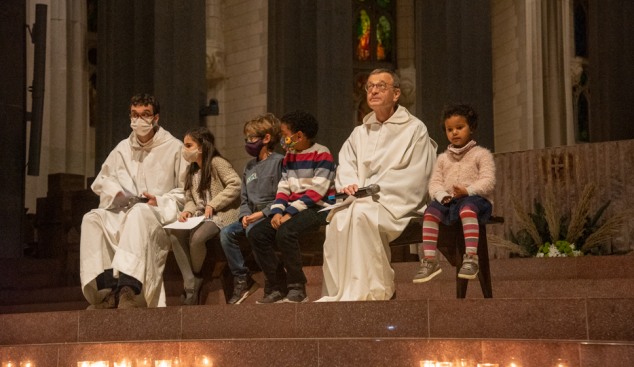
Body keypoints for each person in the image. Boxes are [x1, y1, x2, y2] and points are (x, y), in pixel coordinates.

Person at [318, 69, 438, 302]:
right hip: (361, 199)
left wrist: (374, 191)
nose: (373, 90)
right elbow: (346, 165)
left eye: (380, 86)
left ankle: (375, 293)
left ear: (396, 94)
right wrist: (350, 185)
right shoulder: (359, 133)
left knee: (362, 214)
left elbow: (418, 173)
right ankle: (342, 293)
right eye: (370, 87)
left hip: (395, 200)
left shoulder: (414, 129)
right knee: (338, 220)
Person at [80, 94, 187, 309]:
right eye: (134, 115)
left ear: (156, 118)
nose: (138, 120)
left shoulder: (174, 147)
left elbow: (186, 191)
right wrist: (116, 191)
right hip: (126, 210)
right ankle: (108, 291)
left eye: (145, 115)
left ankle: (129, 288)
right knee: (92, 218)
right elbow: (102, 180)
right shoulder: (122, 148)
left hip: (157, 213)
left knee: (139, 213)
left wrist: (160, 200)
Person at [248, 110, 336, 304]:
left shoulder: (322, 153)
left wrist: (289, 212)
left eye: (285, 135)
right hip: (293, 207)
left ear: (299, 135)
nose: (283, 139)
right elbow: (284, 186)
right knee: (257, 234)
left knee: (285, 232)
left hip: (317, 208)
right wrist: (277, 211)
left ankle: (297, 287)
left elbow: (318, 191)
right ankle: (276, 284)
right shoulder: (290, 155)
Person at [413, 103, 495, 283]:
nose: (454, 133)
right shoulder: (443, 158)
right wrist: (442, 195)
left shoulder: (481, 154)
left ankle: (471, 258)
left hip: (475, 199)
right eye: (450, 129)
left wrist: (468, 190)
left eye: (460, 127)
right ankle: (430, 261)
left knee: (467, 209)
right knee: (430, 213)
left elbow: (488, 181)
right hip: (450, 201)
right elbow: (434, 182)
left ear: (471, 128)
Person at [218, 114, 284, 304]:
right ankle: (243, 278)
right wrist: (245, 216)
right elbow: (245, 199)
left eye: (251, 137)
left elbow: (283, 195)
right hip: (252, 217)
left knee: (256, 233)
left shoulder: (279, 162)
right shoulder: (249, 167)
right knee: (226, 233)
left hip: (269, 215)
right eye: (246, 138)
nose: (248, 142)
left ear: (266, 138)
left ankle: (274, 281)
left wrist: (262, 214)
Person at [171, 127, 241, 305]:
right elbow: (190, 198)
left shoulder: (217, 163)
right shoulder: (192, 171)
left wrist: (214, 203)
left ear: (201, 147)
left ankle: (193, 279)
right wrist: (187, 210)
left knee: (197, 238)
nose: (185, 149)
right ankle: (191, 281)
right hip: (200, 215)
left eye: (189, 145)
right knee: (175, 234)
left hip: (221, 213)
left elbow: (235, 184)